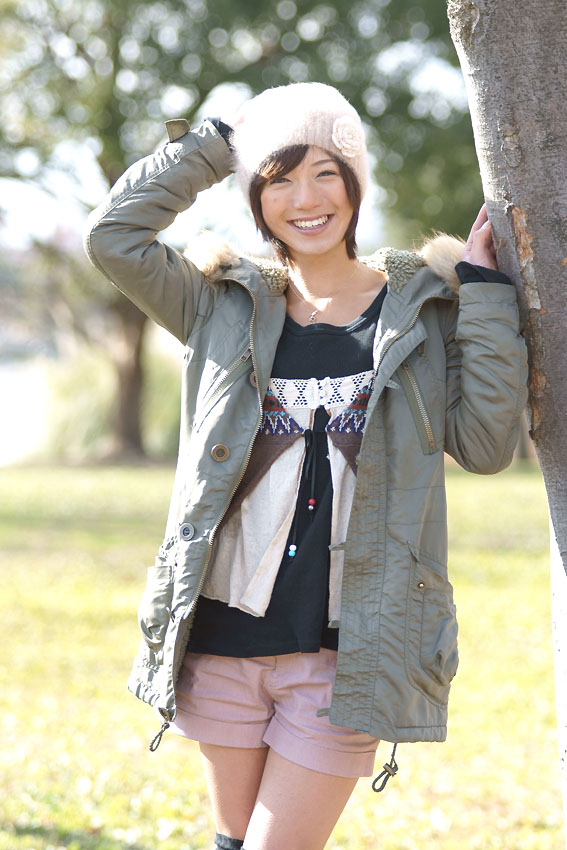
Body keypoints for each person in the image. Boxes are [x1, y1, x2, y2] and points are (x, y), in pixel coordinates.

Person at [84, 82, 528, 850]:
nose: (305, 198)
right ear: (255, 197)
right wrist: (214, 145)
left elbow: (486, 446)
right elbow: (114, 237)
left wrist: (484, 293)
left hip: (348, 654)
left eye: (326, 173)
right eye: (278, 178)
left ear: (355, 183)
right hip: (220, 640)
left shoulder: (422, 310)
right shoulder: (220, 304)